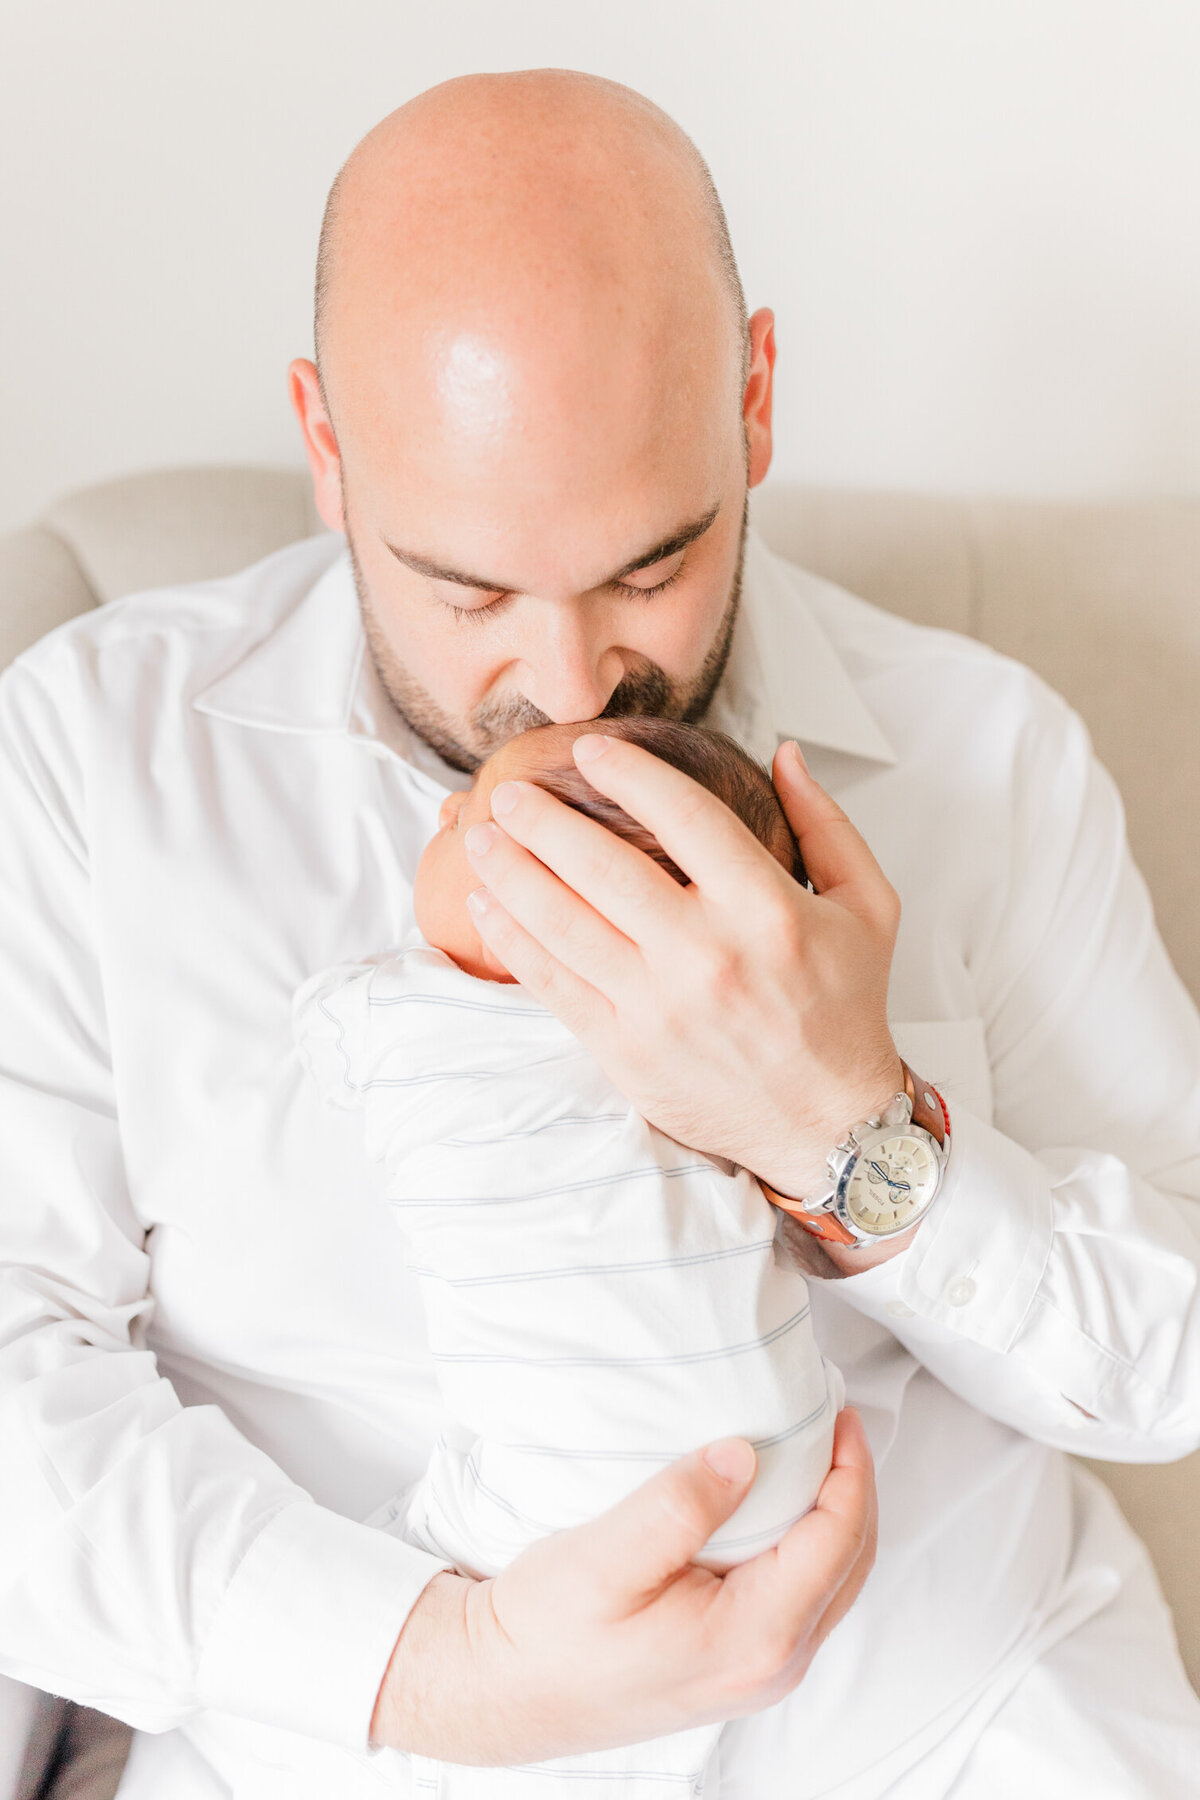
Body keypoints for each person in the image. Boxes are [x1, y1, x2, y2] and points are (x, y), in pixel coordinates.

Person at [0, 65, 1198, 1800]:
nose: (568, 685)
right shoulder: (90, 763)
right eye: (469, 591)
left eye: (653, 565)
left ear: (756, 401)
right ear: (326, 449)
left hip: (956, 1725)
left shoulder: (987, 753)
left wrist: (851, 1139)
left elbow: (1175, 1361)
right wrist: (440, 1671)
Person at [292, 715, 846, 1798]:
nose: (441, 811)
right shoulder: (686, 1035)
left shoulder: (402, 1015)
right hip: (787, 1477)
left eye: (473, 824)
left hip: (568, 1503)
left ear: (550, 903)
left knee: (404, 1565)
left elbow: (322, 1035)